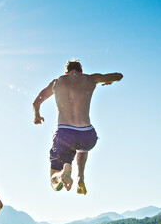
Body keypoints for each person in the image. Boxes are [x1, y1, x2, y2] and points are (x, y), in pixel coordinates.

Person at [33, 59, 123, 194]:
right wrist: (109, 80)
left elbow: (36, 103)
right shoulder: (91, 79)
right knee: (82, 147)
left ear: (66, 72)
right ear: (81, 71)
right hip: (87, 135)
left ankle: (62, 173)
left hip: (65, 134)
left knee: (53, 180)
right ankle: (80, 177)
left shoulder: (57, 82)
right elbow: (118, 76)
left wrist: (37, 116)